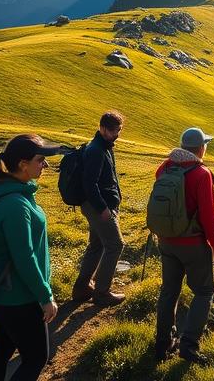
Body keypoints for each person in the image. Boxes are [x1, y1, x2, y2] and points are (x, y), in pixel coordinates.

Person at [0, 134, 62, 381]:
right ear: (23, 164)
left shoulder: (6, 192)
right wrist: (45, 296)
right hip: (19, 297)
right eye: (40, 160)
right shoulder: (15, 205)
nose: (45, 165)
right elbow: (25, 257)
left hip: (2, 292)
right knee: (35, 359)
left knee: (1, 351)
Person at [155, 126, 214, 365]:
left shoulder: (165, 167)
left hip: (166, 240)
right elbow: (208, 217)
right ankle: (189, 346)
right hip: (193, 244)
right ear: (201, 148)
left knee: (169, 291)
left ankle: (162, 343)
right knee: (204, 291)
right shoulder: (202, 174)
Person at [72, 111, 125, 306]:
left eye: (118, 130)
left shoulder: (103, 147)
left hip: (97, 204)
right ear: (102, 128)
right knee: (115, 244)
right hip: (97, 206)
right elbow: (89, 183)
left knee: (97, 245)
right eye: (112, 131)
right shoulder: (96, 150)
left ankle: (82, 288)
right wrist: (102, 208)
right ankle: (102, 292)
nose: (116, 134)